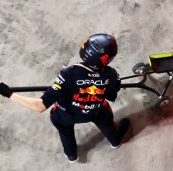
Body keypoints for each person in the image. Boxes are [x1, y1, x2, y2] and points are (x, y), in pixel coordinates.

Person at [0, 34, 131, 161]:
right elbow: (111, 95)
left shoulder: (68, 74)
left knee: (63, 128)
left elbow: (40, 106)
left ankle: (71, 155)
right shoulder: (112, 75)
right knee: (105, 116)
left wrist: (9, 94)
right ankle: (115, 141)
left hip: (67, 114)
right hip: (95, 111)